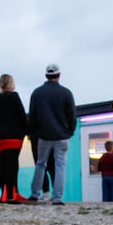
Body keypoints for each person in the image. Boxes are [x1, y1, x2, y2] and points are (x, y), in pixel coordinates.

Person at [27, 63, 76, 205]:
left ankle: (35, 194)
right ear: (59, 75)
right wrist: (70, 131)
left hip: (44, 136)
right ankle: (57, 198)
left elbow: (33, 115)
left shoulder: (37, 93)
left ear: (46, 76)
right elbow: (71, 115)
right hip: (62, 136)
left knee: (40, 164)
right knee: (60, 165)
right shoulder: (66, 93)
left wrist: (34, 132)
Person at [0, 74, 27, 203]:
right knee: (11, 167)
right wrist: (27, 132)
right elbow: (22, 116)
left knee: (2, 167)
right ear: (12, 83)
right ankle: (11, 196)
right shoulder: (14, 96)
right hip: (13, 138)